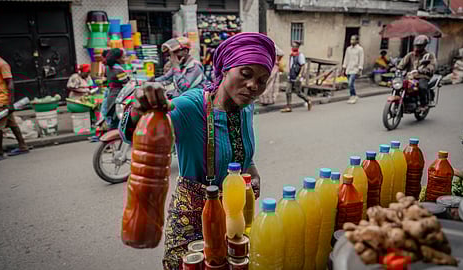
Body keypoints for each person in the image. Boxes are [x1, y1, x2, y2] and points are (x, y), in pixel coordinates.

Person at [119, 32, 273, 269]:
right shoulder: (190, 106)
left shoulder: (245, 108)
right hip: (191, 219)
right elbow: (133, 133)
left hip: (234, 214)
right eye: (246, 73)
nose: (253, 86)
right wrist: (141, 107)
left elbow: (243, 154)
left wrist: (252, 170)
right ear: (225, 69)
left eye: (262, 80)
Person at [0, 41, 29, 162]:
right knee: (12, 124)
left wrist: (10, 103)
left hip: (2, 100)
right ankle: (23, 146)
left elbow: (10, 83)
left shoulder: (1, 64)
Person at [397, 35, 437, 111]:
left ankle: (423, 104)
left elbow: (432, 66)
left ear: (424, 46)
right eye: (416, 45)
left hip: (422, 76)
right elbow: (402, 63)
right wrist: (397, 68)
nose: (417, 47)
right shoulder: (410, 55)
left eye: (420, 46)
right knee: (399, 85)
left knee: (422, 87)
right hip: (410, 77)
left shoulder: (429, 55)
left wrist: (425, 70)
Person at [281, 41, 311, 112]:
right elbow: (291, 66)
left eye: (294, 46)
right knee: (288, 91)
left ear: (297, 47)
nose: (293, 47)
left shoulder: (300, 55)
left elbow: (303, 66)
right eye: (292, 46)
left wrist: (300, 76)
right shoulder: (291, 55)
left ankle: (308, 100)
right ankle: (289, 107)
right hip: (291, 76)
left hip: (297, 76)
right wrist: (289, 74)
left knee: (298, 92)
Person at [105, 48, 129, 129]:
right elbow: (126, 84)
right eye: (123, 57)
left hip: (111, 94)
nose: (125, 59)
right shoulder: (118, 70)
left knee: (113, 119)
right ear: (117, 59)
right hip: (118, 95)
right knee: (118, 119)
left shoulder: (108, 68)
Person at [342, 35, 364, 104]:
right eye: (351, 39)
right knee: (350, 84)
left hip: (355, 69)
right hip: (349, 68)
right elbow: (346, 58)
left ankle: (353, 96)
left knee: (350, 83)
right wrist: (344, 67)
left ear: (357, 41)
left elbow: (361, 59)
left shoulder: (360, 49)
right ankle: (354, 95)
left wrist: (360, 69)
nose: (352, 41)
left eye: (353, 40)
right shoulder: (348, 49)